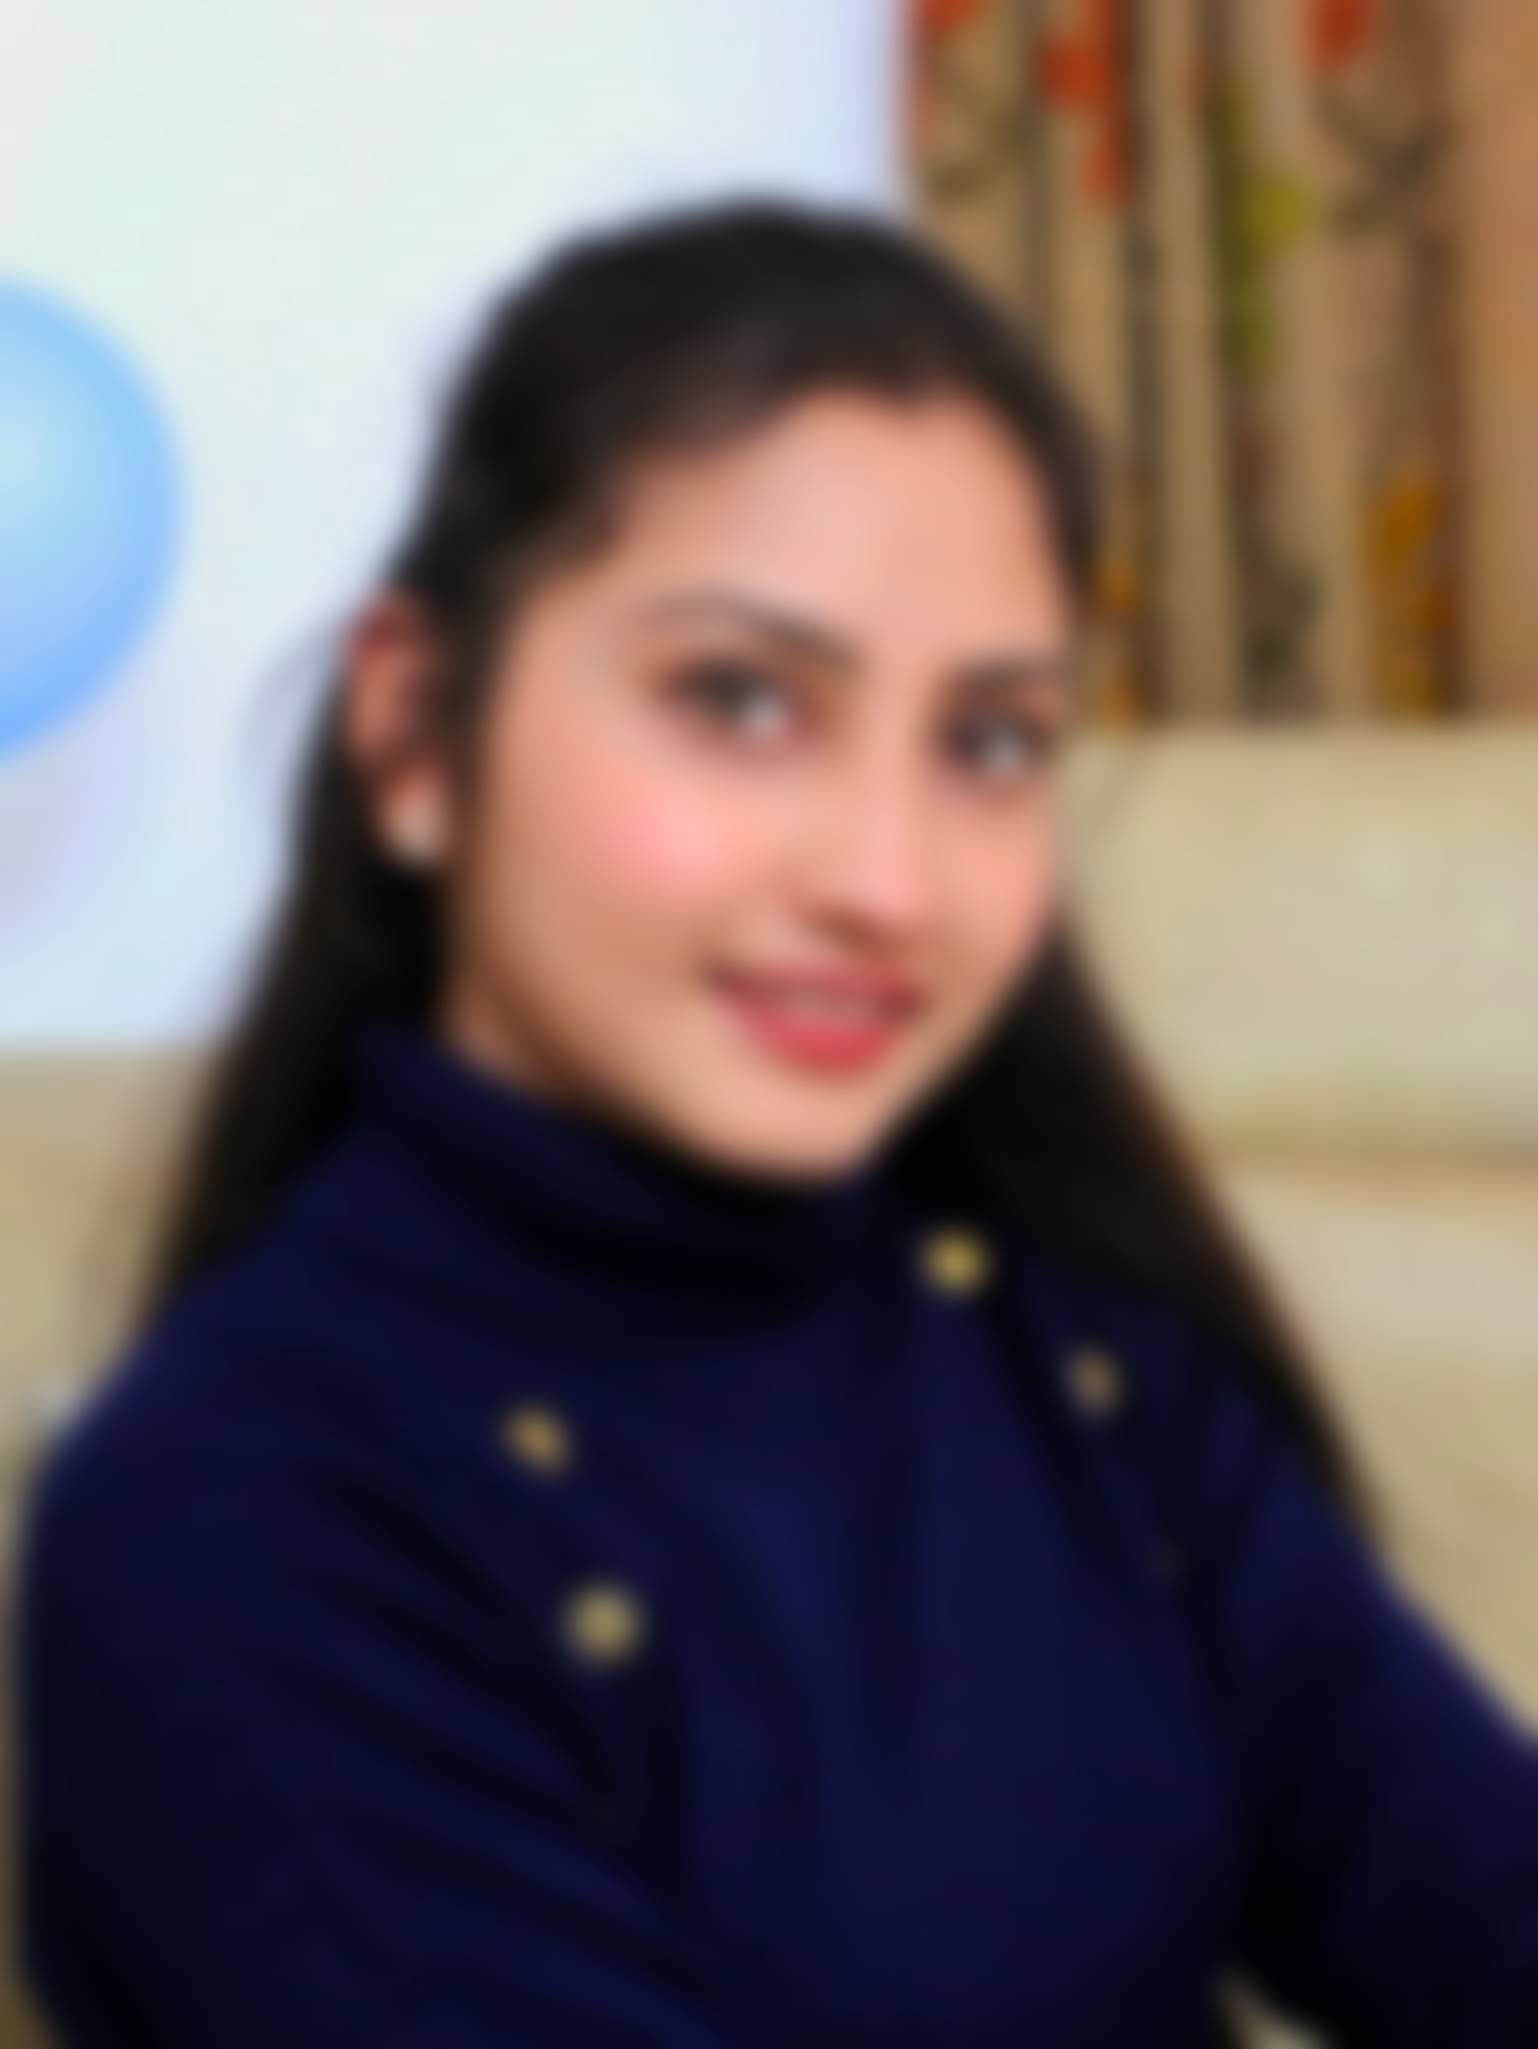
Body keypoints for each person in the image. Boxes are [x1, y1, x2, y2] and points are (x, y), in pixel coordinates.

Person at [14, 198, 1538, 2049]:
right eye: (739, 701)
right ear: (415, 732)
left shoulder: (1086, 1371)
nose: (886, 881)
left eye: (988, 740)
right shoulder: (225, 1525)